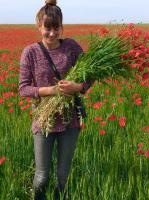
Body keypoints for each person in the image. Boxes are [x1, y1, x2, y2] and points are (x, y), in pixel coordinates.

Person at [19, 0, 92, 199]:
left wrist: (77, 87)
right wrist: (51, 90)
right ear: (39, 27)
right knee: (42, 177)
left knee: (62, 176)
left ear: (62, 27)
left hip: (70, 121)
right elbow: (23, 89)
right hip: (44, 120)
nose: (52, 33)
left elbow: (90, 74)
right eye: (47, 28)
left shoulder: (71, 46)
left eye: (56, 28)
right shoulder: (30, 52)